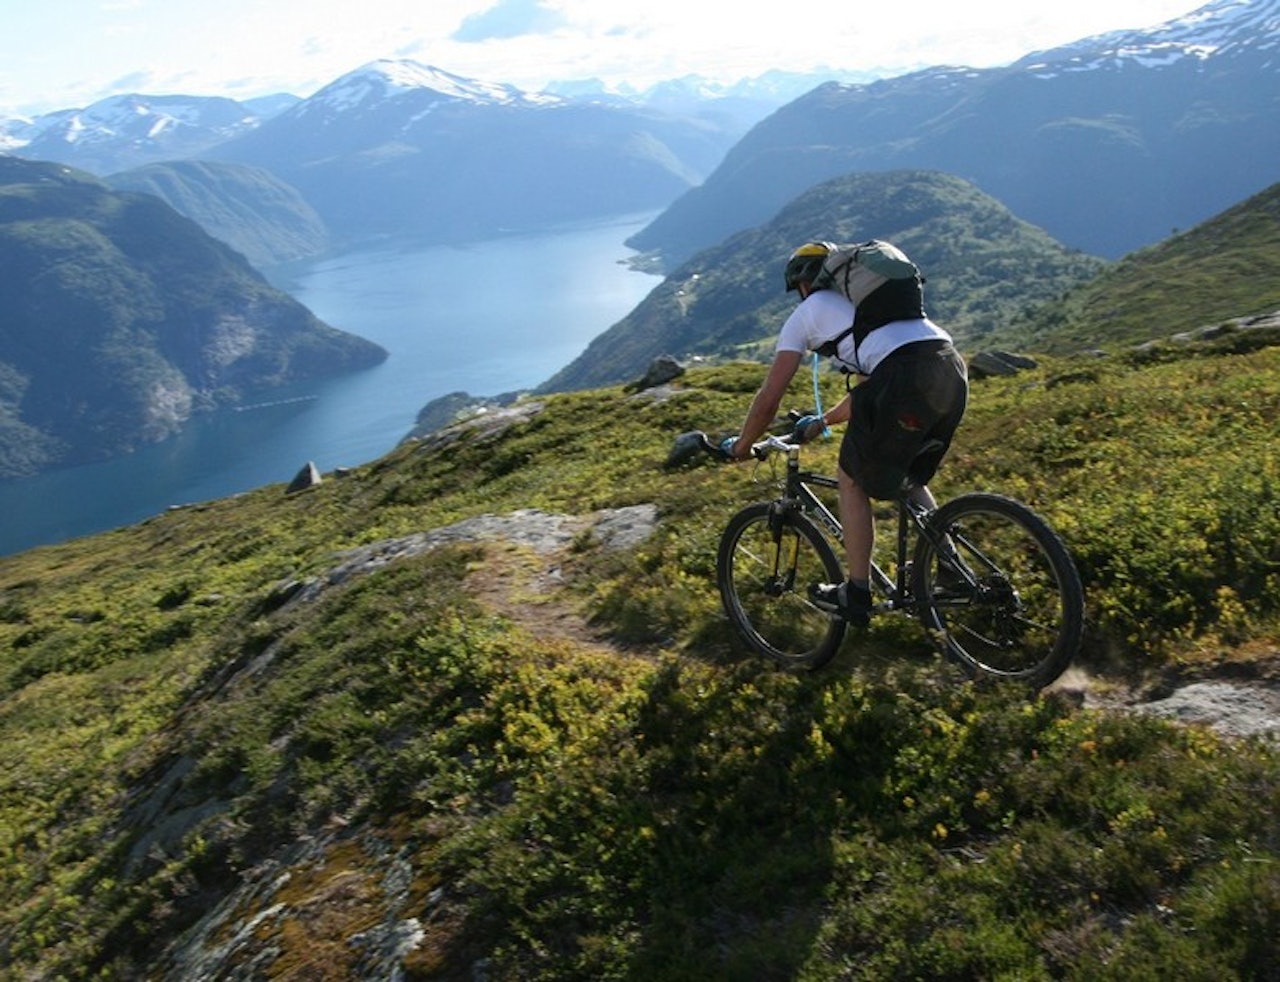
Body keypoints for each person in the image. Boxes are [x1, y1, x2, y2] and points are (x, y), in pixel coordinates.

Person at [720, 240, 968, 626]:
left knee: (851, 479)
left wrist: (742, 445)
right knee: (909, 473)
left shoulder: (807, 314)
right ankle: (951, 569)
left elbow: (770, 398)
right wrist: (823, 421)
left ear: (803, 284)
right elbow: (872, 387)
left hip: (901, 375)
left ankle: (856, 591)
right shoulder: (873, 308)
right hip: (949, 367)